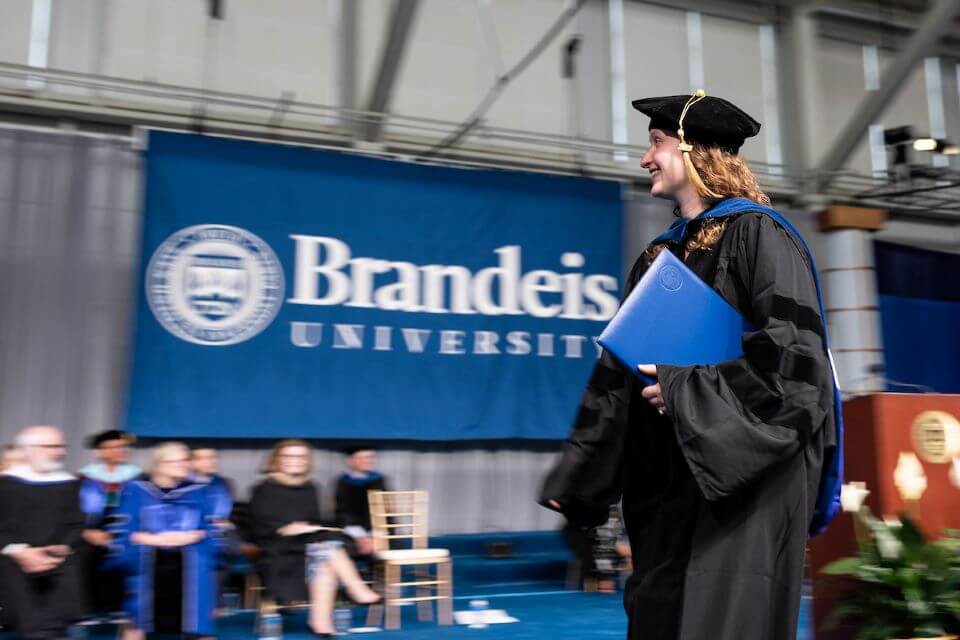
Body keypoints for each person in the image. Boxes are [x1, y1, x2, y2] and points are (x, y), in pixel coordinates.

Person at [540, 92, 840, 640]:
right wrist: (582, 472)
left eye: (656, 143)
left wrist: (683, 390)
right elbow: (619, 373)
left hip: (742, 481)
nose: (645, 158)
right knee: (660, 616)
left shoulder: (760, 235)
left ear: (698, 152)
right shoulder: (659, 257)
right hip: (670, 478)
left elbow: (796, 369)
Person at [250, 440, 379, 637]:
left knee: (325, 554)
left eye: (301, 456)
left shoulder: (311, 487)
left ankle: (321, 622)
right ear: (277, 460)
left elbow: (320, 521)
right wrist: (286, 529)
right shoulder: (263, 489)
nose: (296, 460)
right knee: (327, 551)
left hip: (310, 545)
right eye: (289, 456)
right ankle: (355, 590)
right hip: (279, 550)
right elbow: (259, 527)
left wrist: (311, 527)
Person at [110, 442, 220, 640]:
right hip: (145, 564)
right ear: (159, 464)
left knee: (198, 620)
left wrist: (187, 537)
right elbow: (123, 532)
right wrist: (158, 540)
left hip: (190, 568)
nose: (183, 465)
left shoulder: (198, 492)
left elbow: (210, 531)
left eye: (185, 460)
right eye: (176, 461)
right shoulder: (135, 490)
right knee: (137, 620)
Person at [0, 425, 84, 639]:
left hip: (57, 565)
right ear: (29, 449)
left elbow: (75, 524)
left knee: (54, 628)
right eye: (52, 446)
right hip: (13, 565)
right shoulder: (6, 483)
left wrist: (61, 548)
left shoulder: (68, 483)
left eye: (61, 446)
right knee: (34, 628)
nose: (60, 452)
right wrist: (20, 552)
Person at [77, 429, 141, 618]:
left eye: (124, 447)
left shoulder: (138, 478)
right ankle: (88, 609)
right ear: (100, 452)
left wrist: (119, 533)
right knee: (84, 553)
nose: (121, 451)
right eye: (114, 447)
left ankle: (119, 607)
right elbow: (73, 512)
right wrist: (87, 532)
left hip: (128, 530)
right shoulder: (84, 479)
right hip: (90, 531)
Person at [334, 447, 388, 556]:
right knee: (339, 547)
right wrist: (361, 537)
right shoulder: (343, 482)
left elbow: (384, 510)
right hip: (352, 532)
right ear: (350, 460)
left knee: (388, 545)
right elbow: (342, 511)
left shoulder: (379, 480)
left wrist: (375, 536)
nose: (367, 461)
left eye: (369, 457)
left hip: (377, 531)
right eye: (361, 457)